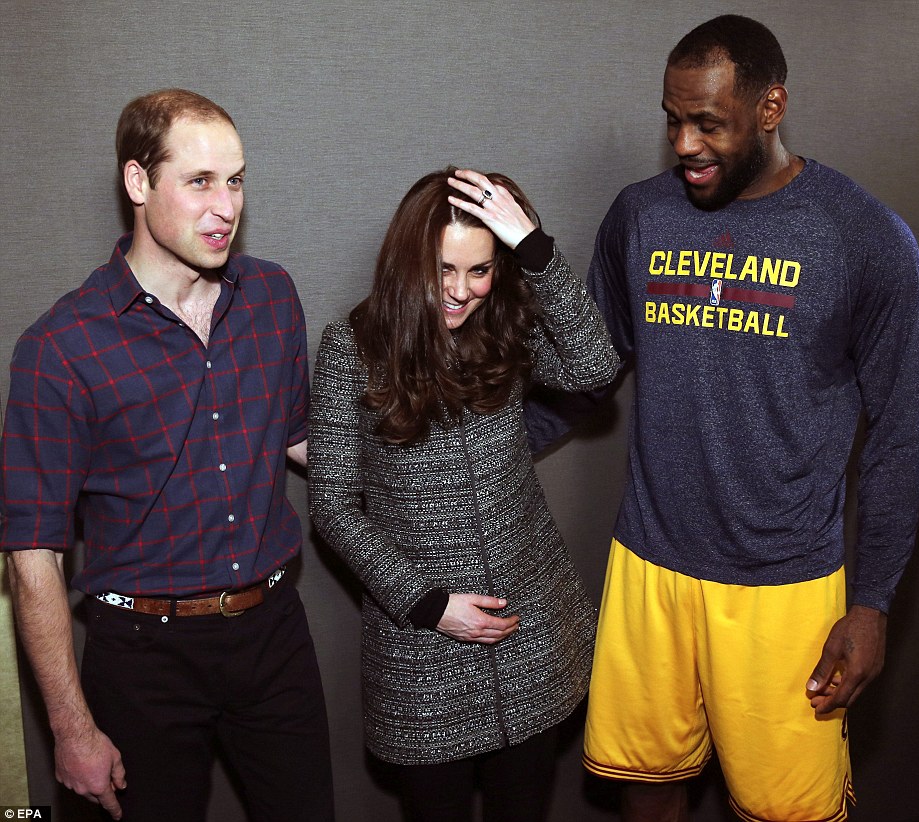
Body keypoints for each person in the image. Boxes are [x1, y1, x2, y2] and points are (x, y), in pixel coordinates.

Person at [524, 15, 919, 822]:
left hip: (784, 583)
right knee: (647, 787)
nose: (685, 144)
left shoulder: (865, 237)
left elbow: (900, 434)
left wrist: (873, 601)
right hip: (650, 562)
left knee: (785, 811)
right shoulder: (641, 216)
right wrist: (464, 444)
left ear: (771, 107)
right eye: (673, 120)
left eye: (708, 123)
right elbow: (586, 376)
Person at [1, 89, 334, 821]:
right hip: (142, 656)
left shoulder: (272, 295)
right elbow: (32, 555)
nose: (225, 207)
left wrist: (430, 465)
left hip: (273, 632)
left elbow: (297, 437)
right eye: (199, 181)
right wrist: (72, 728)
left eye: (235, 180)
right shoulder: (60, 348)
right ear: (138, 182)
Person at [308, 166, 619, 821]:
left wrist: (534, 248)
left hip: (529, 634)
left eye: (480, 270)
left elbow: (595, 365)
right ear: (408, 261)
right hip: (422, 651)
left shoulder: (505, 328)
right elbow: (332, 505)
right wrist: (429, 605)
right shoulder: (352, 349)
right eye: (442, 269)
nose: (459, 290)